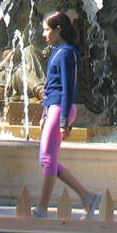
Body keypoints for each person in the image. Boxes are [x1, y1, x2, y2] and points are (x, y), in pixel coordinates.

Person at [33, 11, 99, 220]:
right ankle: (87, 196)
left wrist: (64, 123)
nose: (44, 34)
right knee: (46, 159)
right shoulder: (59, 51)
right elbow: (49, 87)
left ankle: (42, 208)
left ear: (58, 29)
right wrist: (44, 113)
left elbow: (69, 88)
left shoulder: (66, 53)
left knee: (48, 159)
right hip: (53, 108)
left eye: (46, 29)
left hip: (60, 108)